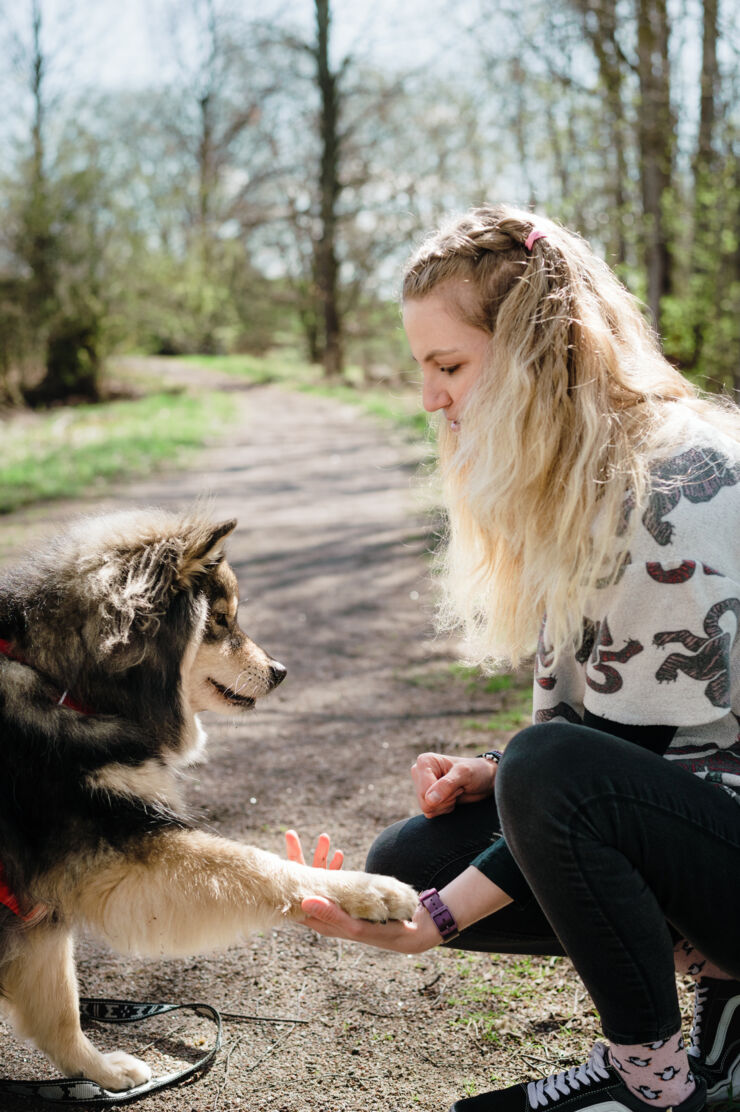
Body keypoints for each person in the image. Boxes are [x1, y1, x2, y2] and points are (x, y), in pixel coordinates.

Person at [286, 204, 740, 1112]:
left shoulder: (672, 495)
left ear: (537, 350)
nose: (429, 398)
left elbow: (609, 770)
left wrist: (439, 922)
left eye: (448, 365)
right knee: (407, 860)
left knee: (535, 786)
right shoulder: (579, 478)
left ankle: (651, 1085)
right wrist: (499, 777)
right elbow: (646, 733)